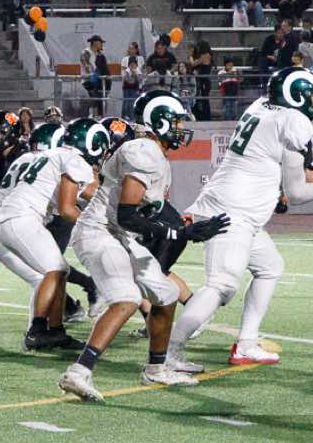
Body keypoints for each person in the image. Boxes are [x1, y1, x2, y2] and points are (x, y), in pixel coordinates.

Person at [167, 69, 313, 371]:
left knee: (270, 267)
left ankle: (246, 343)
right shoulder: (293, 121)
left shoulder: (261, 106)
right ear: (296, 95)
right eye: (312, 95)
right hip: (233, 211)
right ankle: (168, 351)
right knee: (221, 286)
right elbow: (297, 193)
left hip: (238, 210)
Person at [59, 92, 223, 400]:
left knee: (167, 293)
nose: (181, 128)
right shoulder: (144, 151)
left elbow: (141, 215)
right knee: (128, 298)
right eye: (176, 122)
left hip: (117, 234)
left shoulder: (152, 153)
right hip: (99, 231)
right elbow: (127, 215)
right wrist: (179, 233)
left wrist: (184, 230)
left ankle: (156, 369)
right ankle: (78, 372)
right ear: (159, 121)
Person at [0, 120, 101, 352]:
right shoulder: (73, 160)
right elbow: (68, 209)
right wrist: (99, 226)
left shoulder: (52, 155)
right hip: (21, 218)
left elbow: (84, 194)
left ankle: (56, 331)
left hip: (14, 217)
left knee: (60, 270)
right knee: (55, 270)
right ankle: (37, 331)